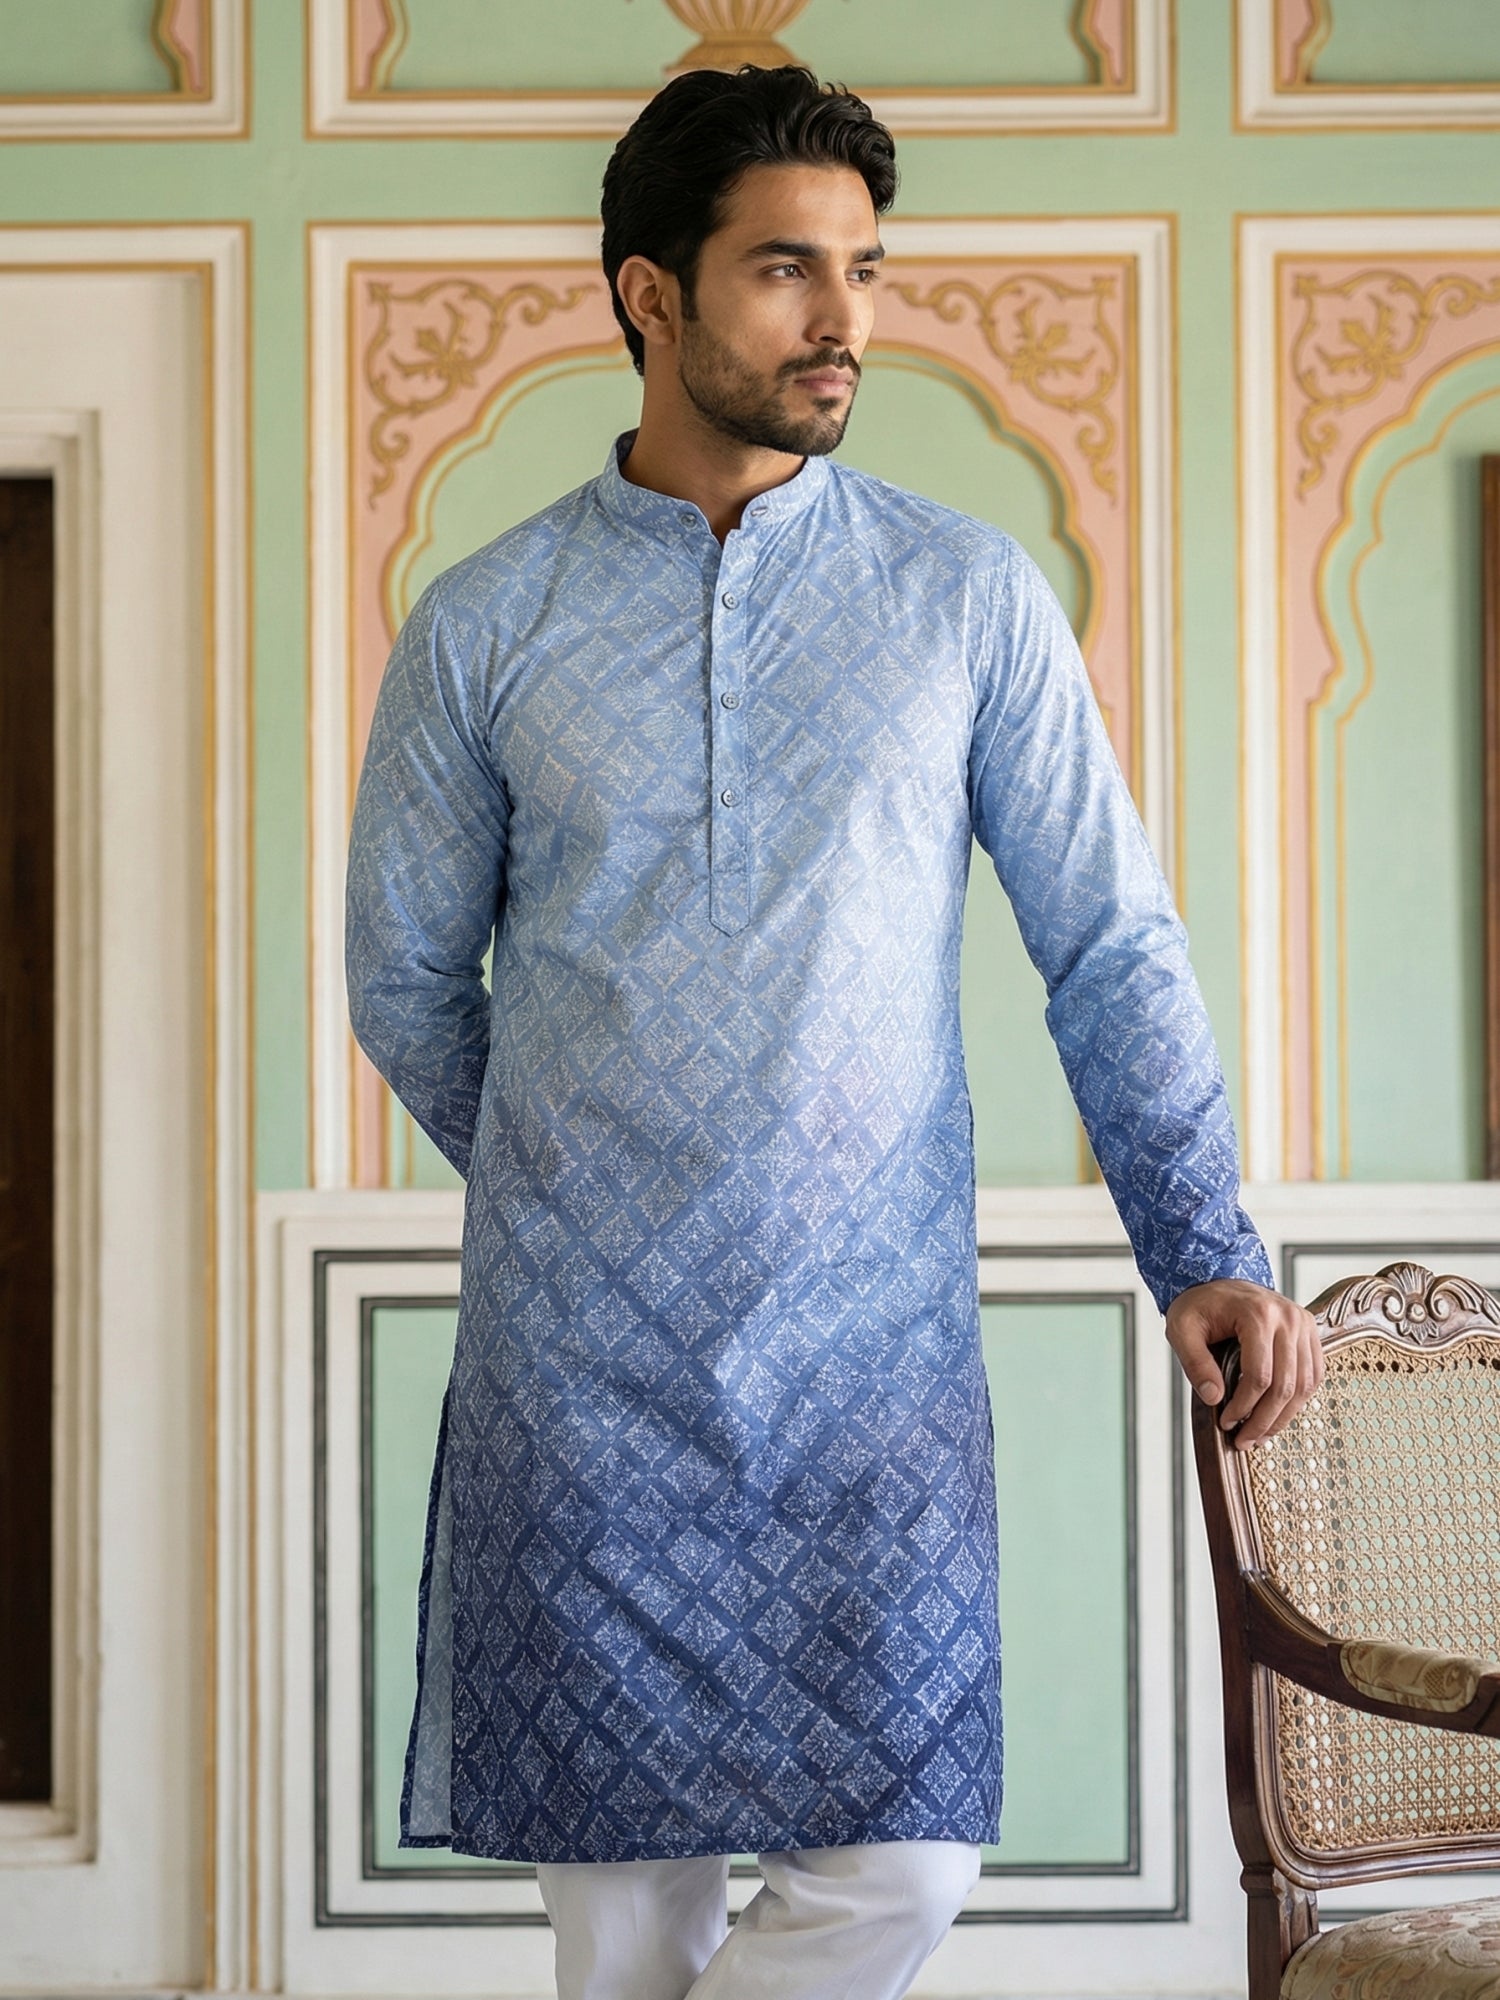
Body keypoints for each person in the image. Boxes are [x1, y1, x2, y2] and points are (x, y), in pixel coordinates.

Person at [344, 63, 1323, 2000]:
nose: (843, 318)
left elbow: (1107, 943)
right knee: (623, 1923)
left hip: (874, 1362)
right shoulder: (488, 622)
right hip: (582, 1377)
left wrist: (1201, 1239)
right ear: (650, 295)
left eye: (862, 269)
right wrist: (579, 1190)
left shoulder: (964, 597)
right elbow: (401, 977)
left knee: (905, 1862)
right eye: (786, 268)